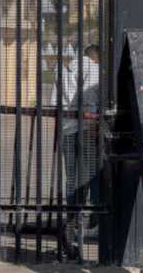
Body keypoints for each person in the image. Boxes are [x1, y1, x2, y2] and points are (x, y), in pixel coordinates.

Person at [51, 43, 102, 253]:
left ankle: (71, 223)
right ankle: (81, 225)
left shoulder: (63, 71)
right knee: (89, 178)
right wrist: (93, 124)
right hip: (86, 132)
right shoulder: (93, 70)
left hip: (67, 131)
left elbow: (54, 102)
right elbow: (90, 100)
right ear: (96, 57)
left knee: (72, 178)